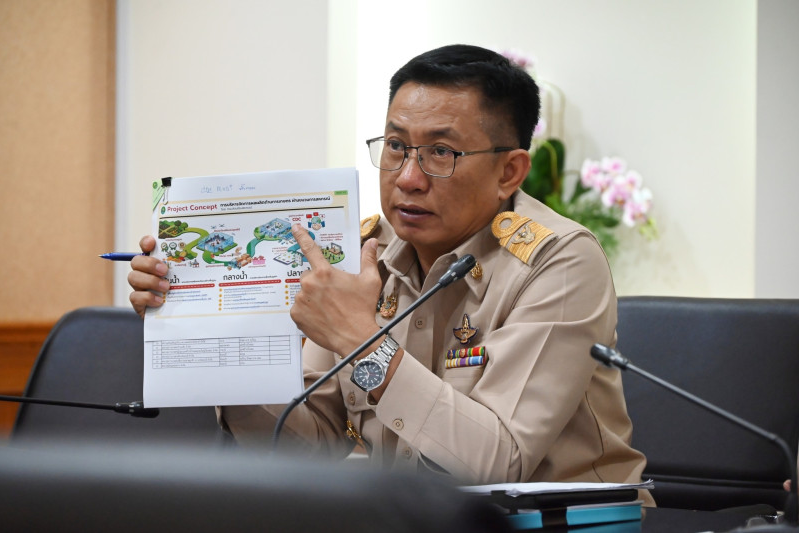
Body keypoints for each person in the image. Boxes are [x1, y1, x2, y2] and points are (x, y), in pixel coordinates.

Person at [128, 44, 651, 503]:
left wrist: (362, 341)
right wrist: (211, 332)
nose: (408, 178)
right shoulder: (363, 251)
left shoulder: (559, 261)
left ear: (508, 171)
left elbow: (497, 463)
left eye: (441, 152)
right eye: (397, 146)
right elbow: (307, 448)